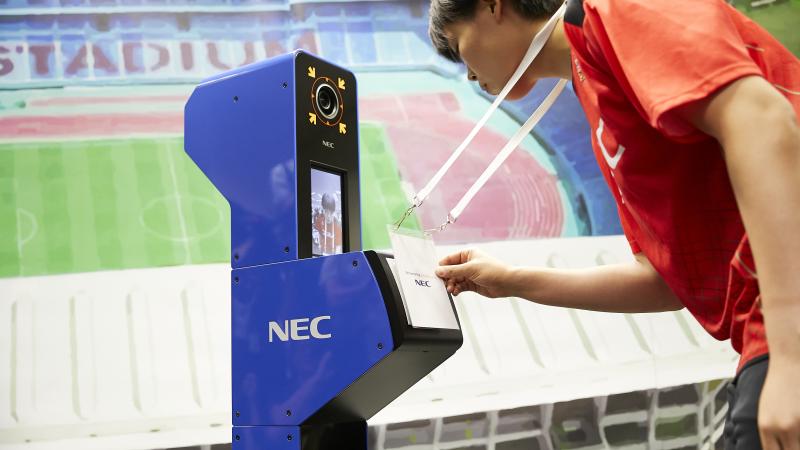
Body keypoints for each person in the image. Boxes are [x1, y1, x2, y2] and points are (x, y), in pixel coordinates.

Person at [427, 0, 800, 448]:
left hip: (776, 331)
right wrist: (512, 281)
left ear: (492, 6)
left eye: (457, 44)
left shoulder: (613, 10)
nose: (467, 74)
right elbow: (664, 281)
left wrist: (790, 356)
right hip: (759, 337)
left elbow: (762, 119)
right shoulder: (595, 91)